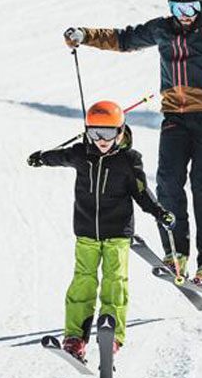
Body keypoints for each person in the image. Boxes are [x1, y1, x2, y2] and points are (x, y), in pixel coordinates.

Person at [61, 0, 202, 291]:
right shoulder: (163, 28)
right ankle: (176, 253)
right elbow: (125, 39)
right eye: (177, 6)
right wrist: (86, 35)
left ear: (201, 5)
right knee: (168, 182)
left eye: (190, 6)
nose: (183, 13)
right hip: (174, 116)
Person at [27, 101, 174, 361]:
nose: (101, 140)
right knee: (82, 282)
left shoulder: (129, 160)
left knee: (114, 282)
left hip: (117, 233)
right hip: (86, 232)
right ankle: (75, 338)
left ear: (120, 132)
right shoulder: (80, 153)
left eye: (107, 134)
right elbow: (59, 157)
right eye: (95, 133)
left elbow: (142, 193)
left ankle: (113, 336)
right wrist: (41, 157)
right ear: (87, 132)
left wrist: (159, 212)